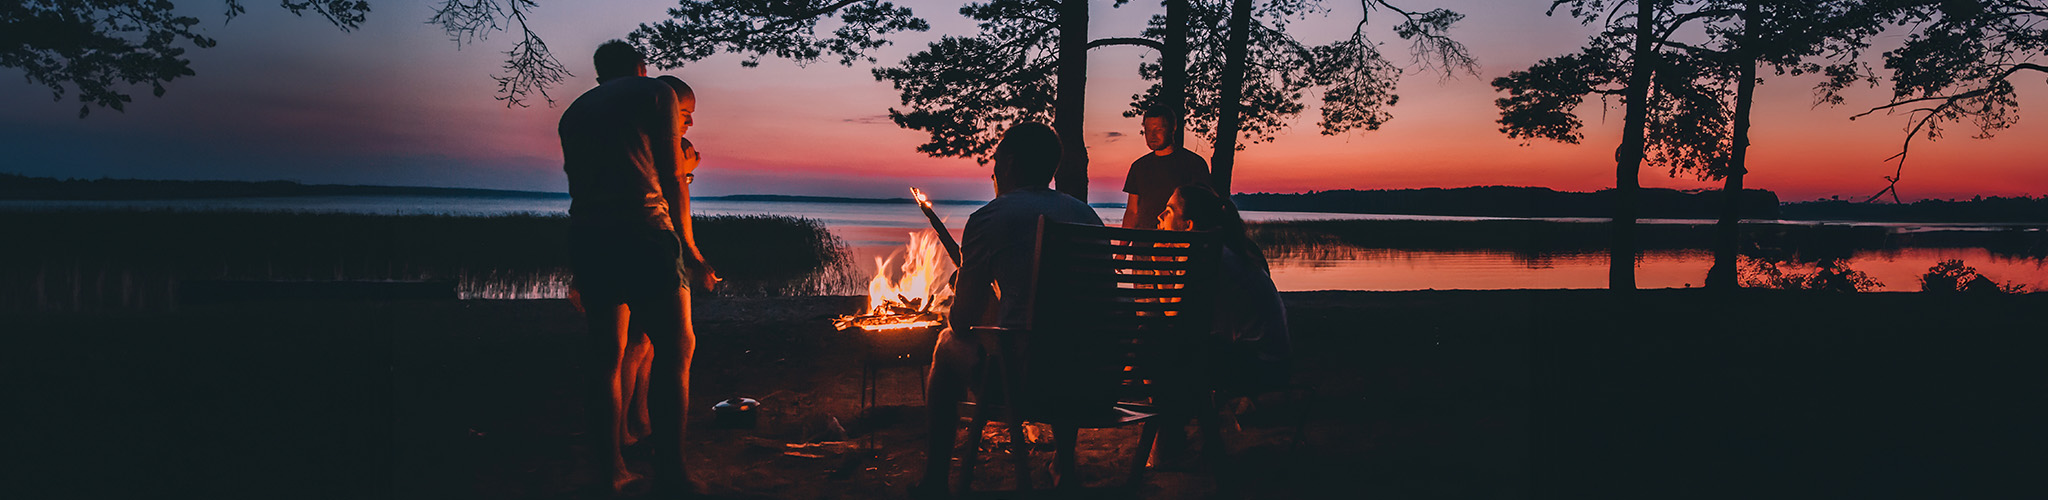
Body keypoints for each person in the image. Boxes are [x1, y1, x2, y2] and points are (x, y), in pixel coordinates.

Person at [558, 39, 716, 497]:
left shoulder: (576, 110)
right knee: (677, 346)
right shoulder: (654, 94)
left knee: (605, 355)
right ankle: (673, 473)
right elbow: (669, 178)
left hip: (587, 234)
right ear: (642, 69)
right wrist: (690, 249)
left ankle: (611, 472)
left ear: (598, 71)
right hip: (644, 232)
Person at [915, 122, 1103, 496]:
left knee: (946, 344)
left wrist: (975, 293)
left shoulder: (990, 218)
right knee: (1066, 340)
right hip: (1094, 380)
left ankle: (935, 481)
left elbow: (963, 322)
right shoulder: (1085, 216)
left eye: (997, 159)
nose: (993, 168)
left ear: (1012, 163)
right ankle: (1064, 464)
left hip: (1029, 384)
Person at [1120, 106, 1211, 230]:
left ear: (1172, 129)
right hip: (1142, 244)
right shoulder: (1139, 167)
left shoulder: (1193, 163)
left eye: (1158, 129)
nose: (1152, 135)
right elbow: (1132, 212)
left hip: (1176, 244)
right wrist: (1122, 247)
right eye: (1148, 130)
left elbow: (1204, 209)